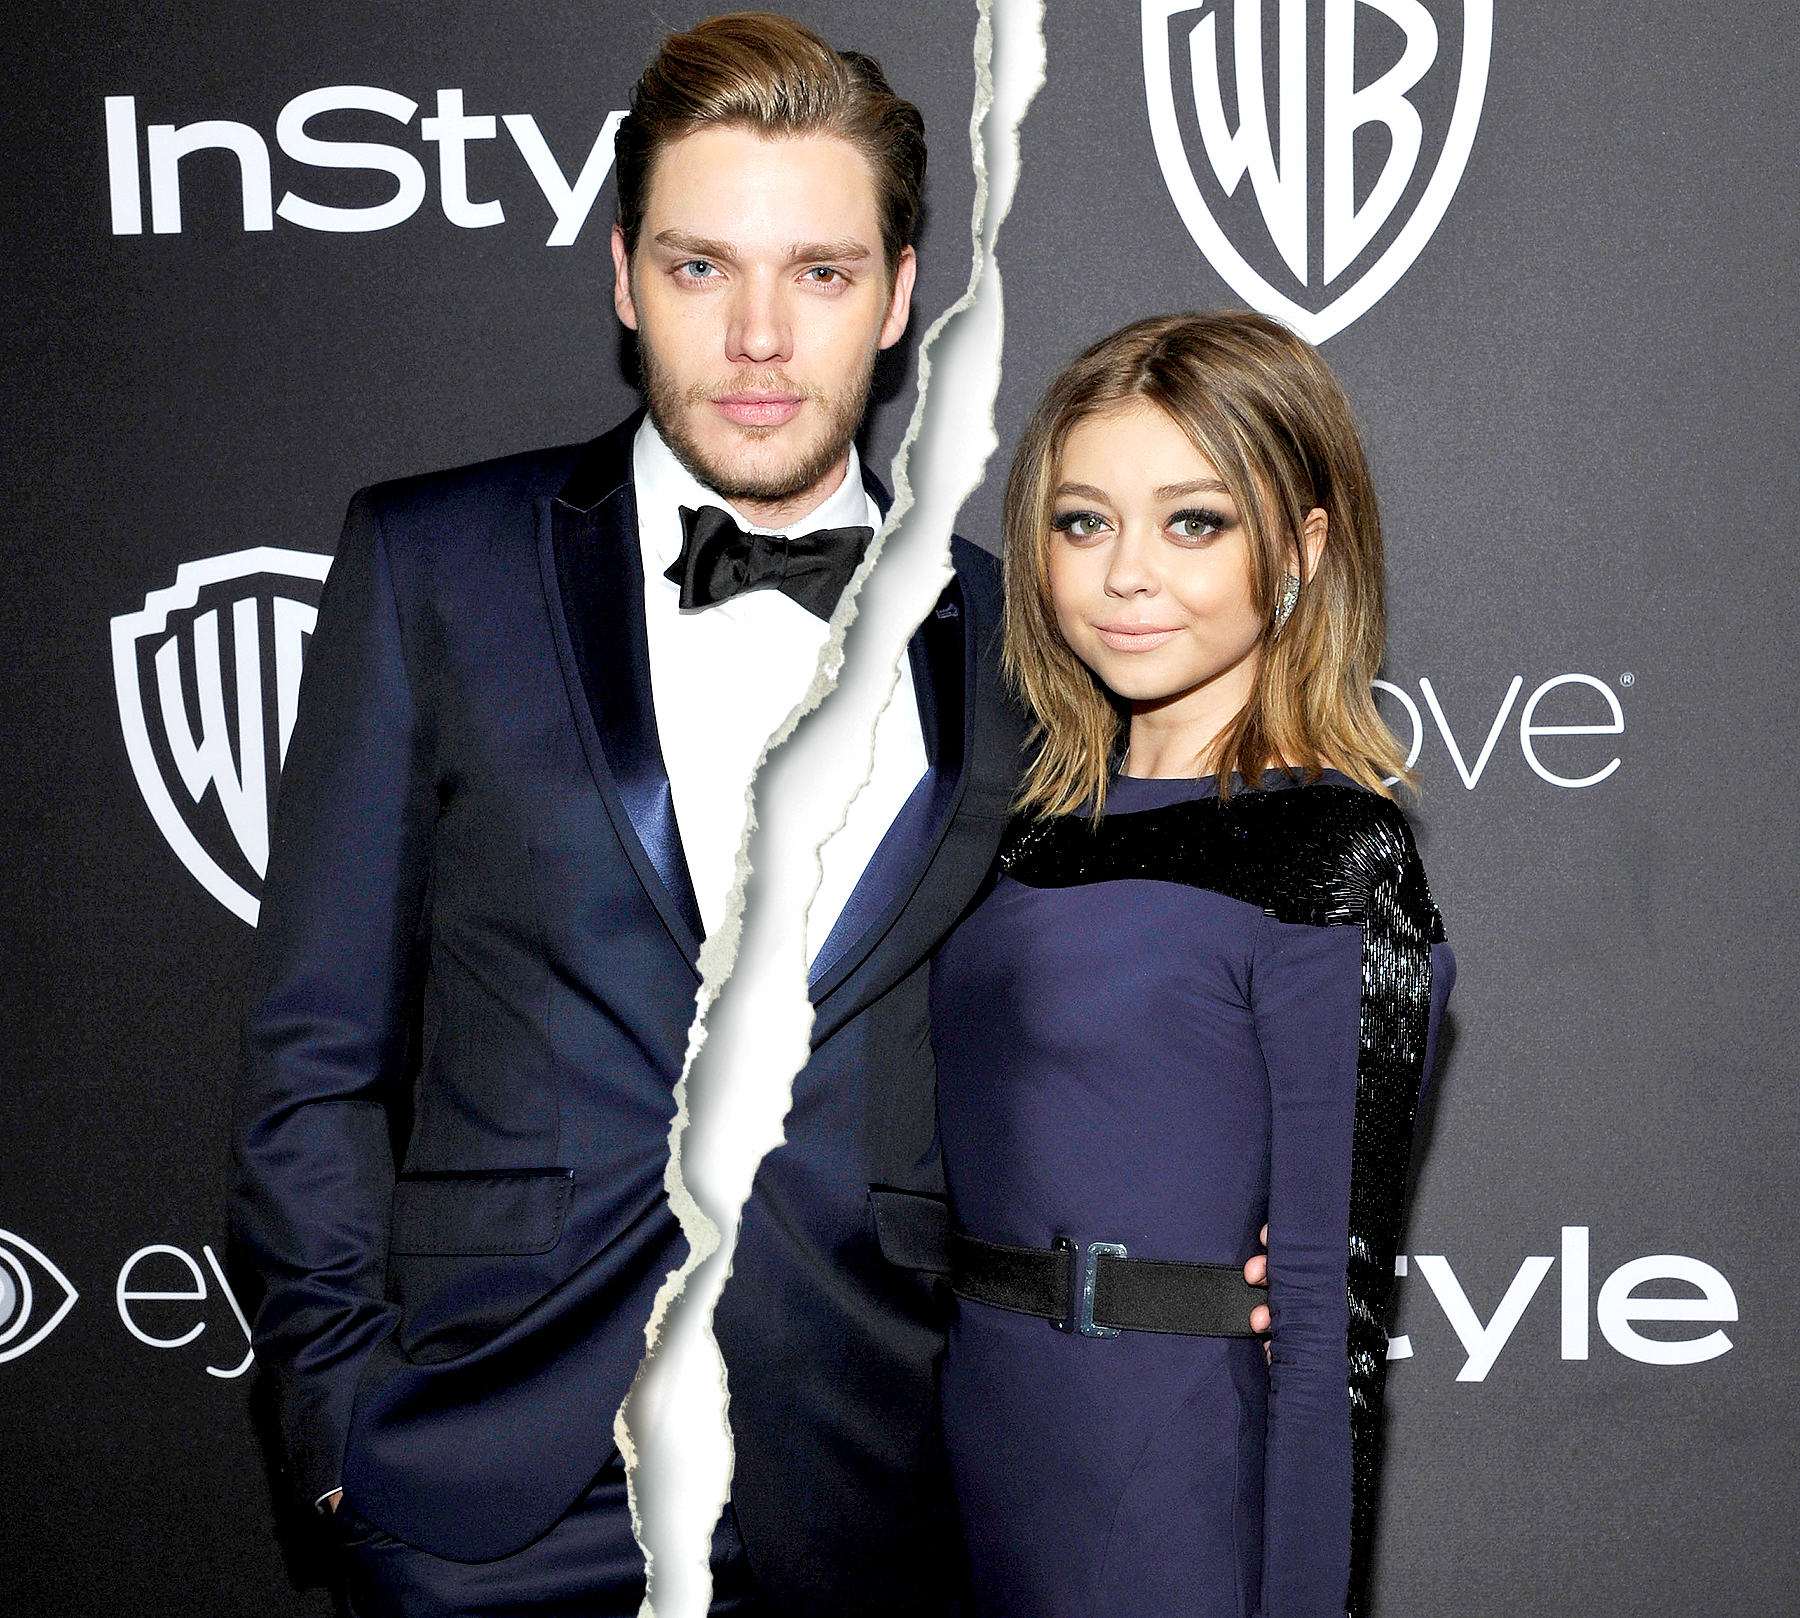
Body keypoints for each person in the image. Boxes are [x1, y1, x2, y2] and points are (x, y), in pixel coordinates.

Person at [230, 16, 1028, 1615]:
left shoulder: (1017, 640)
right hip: (491, 1491)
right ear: (621, 277)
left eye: (818, 272)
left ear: (898, 298)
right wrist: (337, 1428)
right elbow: (314, 1053)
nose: (758, 335)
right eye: (699, 266)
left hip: (874, 1486)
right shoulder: (434, 563)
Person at [930, 311, 1455, 1618]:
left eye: (1194, 522)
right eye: (1084, 522)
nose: (1126, 575)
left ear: (1303, 550)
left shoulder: (1330, 850)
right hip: (960, 1458)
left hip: (1164, 1469)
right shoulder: (1015, 826)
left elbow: (1327, 1324)